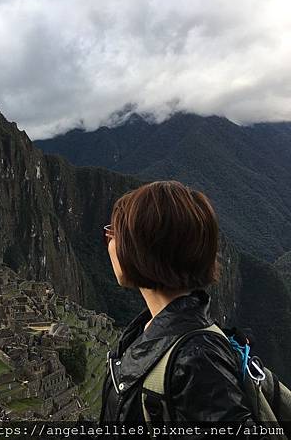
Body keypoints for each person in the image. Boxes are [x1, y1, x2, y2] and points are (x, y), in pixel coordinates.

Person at [99, 181, 261, 435]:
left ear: (140, 249)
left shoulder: (196, 358)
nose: (108, 244)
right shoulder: (148, 330)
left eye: (114, 235)